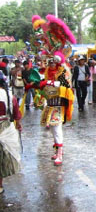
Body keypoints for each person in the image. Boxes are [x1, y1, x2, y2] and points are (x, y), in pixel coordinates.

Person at [30, 14, 76, 166]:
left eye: (51, 61)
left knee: (56, 128)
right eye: (47, 61)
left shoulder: (63, 71)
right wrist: (38, 85)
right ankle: (56, 150)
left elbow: (64, 86)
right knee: (51, 129)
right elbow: (43, 84)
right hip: (49, 101)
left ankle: (60, 154)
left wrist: (48, 82)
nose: (48, 64)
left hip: (57, 102)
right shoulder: (47, 71)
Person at [0, 70, 22, 194]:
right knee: (2, 157)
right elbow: (16, 114)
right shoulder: (9, 95)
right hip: (4, 127)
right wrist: (18, 125)